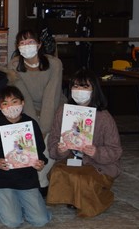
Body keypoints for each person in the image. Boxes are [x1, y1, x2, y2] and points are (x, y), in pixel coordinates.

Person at [46, 70, 122, 218]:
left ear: (94, 90)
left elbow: (115, 150)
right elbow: (53, 140)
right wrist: (61, 150)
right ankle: (75, 197)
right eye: (75, 86)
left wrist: (96, 152)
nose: (79, 90)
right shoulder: (63, 112)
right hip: (72, 160)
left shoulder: (104, 117)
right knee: (57, 173)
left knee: (83, 180)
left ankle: (101, 197)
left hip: (98, 165)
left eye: (85, 87)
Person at [0, 86, 51, 228]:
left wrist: (40, 162)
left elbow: (39, 150)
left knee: (40, 220)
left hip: (27, 178)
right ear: (0, 107)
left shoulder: (31, 124)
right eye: (5, 103)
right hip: (3, 179)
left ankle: (18, 203)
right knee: (12, 222)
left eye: (14, 102)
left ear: (22, 103)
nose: (10, 107)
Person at [8, 29, 65, 192]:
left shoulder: (54, 64)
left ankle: (41, 182)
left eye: (31, 42)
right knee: (26, 140)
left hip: (54, 109)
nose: (27, 46)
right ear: (17, 47)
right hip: (27, 111)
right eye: (22, 43)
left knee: (48, 142)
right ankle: (32, 179)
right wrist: (33, 127)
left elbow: (51, 97)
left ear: (39, 45)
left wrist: (43, 129)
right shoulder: (14, 65)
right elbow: (23, 97)